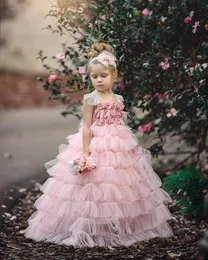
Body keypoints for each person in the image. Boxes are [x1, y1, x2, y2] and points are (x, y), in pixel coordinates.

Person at [24, 42, 173, 248]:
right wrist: (85, 153)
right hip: (96, 144)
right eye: (94, 77)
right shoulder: (90, 98)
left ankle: (117, 225)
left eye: (103, 75)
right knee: (93, 187)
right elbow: (86, 127)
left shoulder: (118, 98)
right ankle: (90, 225)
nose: (99, 80)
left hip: (117, 144)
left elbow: (121, 123)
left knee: (120, 185)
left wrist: (128, 145)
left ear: (114, 75)